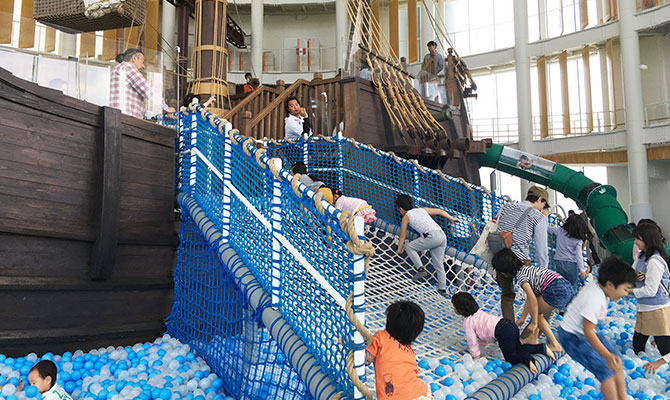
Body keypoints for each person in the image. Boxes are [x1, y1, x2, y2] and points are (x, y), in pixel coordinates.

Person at [558, 257, 635, 400]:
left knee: (616, 359)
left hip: (584, 332)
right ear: (610, 285)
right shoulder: (595, 299)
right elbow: (588, 332)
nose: (626, 294)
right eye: (625, 289)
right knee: (606, 371)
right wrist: (606, 355)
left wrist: (609, 355)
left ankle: (623, 397)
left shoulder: (602, 288)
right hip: (572, 337)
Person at [491, 248, 576, 352]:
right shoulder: (528, 269)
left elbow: (532, 299)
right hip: (565, 285)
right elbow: (531, 299)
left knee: (538, 313)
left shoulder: (521, 277)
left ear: (505, 272)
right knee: (536, 310)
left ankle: (554, 344)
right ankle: (533, 338)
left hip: (556, 289)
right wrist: (522, 318)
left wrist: (534, 322)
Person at [452, 292, 554, 374]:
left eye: (454, 307)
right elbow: (482, 334)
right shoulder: (479, 312)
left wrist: (476, 357)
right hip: (508, 324)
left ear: (461, 309)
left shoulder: (468, 322)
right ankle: (542, 348)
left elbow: (472, 340)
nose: (454, 309)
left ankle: (528, 359)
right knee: (518, 347)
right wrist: (481, 349)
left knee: (510, 357)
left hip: (502, 332)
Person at [493, 186, 549, 321]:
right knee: (536, 295)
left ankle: (509, 329)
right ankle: (532, 329)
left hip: (501, 257)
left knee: (507, 295)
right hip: (520, 260)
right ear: (540, 199)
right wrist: (544, 271)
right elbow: (541, 248)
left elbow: (498, 228)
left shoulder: (507, 207)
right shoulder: (538, 217)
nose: (543, 208)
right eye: (544, 205)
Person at [395, 194, 459, 297]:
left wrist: (399, 250)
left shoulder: (406, 217)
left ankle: (420, 268)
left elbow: (402, 236)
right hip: (442, 235)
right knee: (438, 264)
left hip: (432, 236)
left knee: (409, 247)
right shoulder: (422, 209)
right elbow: (440, 211)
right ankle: (442, 289)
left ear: (401, 209)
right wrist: (451, 218)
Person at [366, 301, 431, 400]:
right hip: (422, 394)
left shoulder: (380, 337)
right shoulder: (409, 350)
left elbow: (365, 359)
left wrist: (350, 343)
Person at [630, 223, 670, 358]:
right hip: (644, 308)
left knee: (665, 348)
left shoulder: (654, 261)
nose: (635, 242)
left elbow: (651, 290)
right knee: (637, 345)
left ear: (648, 239)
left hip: (656, 309)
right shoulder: (641, 256)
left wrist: (630, 291)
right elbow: (632, 271)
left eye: (638, 239)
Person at [110, 48, 175, 119]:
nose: (143, 66)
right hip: (126, 119)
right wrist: (166, 108)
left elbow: (138, 109)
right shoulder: (127, 67)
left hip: (120, 117)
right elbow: (147, 90)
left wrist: (156, 114)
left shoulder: (119, 69)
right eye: (142, 62)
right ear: (134, 58)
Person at [548, 214, 593, 289]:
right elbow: (579, 255)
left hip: (559, 261)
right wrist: (582, 270)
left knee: (561, 284)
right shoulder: (578, 239)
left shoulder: (560, 231)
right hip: (571, 264)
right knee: (572, 285)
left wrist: (545, 217)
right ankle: (571, 299)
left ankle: (562, 298)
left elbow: (548, 228)